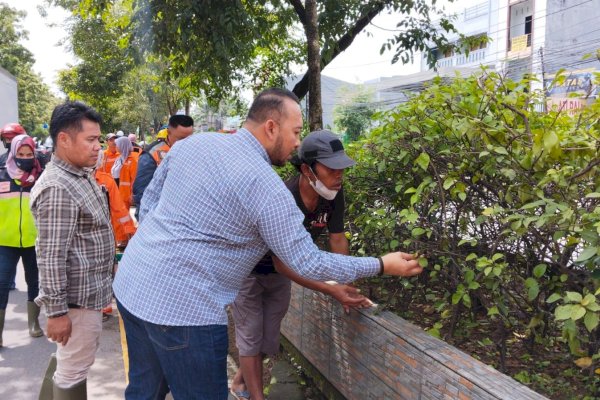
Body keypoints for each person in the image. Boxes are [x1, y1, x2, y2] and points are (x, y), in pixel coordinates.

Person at [113, 88, 422, 399]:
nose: (298, 142)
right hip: (184, 312)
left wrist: (158, 250)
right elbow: (309, 261)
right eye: (296, 132)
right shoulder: (267, 187)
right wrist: (382, 264)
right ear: (272, 127)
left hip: (132, 286)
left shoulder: (194, 144)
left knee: (143, 391)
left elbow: (151, 200)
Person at [230, 129, 370, 400]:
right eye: (332, 169)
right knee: (250, 335)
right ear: (307, 170)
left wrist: (347, 286)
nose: (339, 176)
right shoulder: (285, 197)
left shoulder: (332, 193)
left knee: (268, 336)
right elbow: (283, 263)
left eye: (342, 170)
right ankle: (255, 396)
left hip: (281, 275)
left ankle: (239, 382)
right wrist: (330, 289)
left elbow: (337, 239)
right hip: (249, 270)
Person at [30, 101, 115, 399]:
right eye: (90, 140)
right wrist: (56, 312)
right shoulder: (59, 187)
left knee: (68, 366)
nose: (97, 147)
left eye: (98, 139)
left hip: (85, 298)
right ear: (64, 139)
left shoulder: (78, 175)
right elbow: (51, 256)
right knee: (72, 373)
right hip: (76, 304)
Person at [0, 134, 44, 347]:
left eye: (29, 154)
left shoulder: (40, 177)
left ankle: (34, 323)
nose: (25, 158)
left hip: (33, 241)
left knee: (34, 282)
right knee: (0, 283)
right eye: (20, 154)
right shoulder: (2, 176)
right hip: (4, 240)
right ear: (12, 153)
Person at [132, 115, 194, 216]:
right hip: (158, 214)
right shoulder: (152, 154)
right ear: (169, 133)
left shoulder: (193, 152)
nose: (186, 143)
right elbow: (141, 191)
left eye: (189, 138)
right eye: (181, 139)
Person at [112, 136, 138, 210]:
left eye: (117, 144)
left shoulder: (132, 161)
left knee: (123, 217)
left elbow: (134, 179)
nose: (116, 146)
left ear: (122, 146)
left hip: (124, 195)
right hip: (115, 191)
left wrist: (132, 194)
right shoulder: (119, 158)